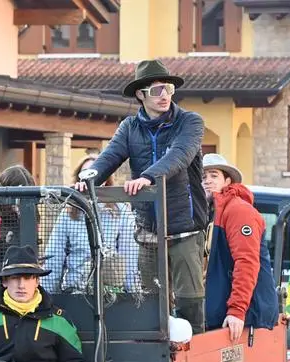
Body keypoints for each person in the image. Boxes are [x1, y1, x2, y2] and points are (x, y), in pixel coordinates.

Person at [75, 59, 209, 331]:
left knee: (189, 302)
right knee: (152, 302)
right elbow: (109, 156)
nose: (165, 96)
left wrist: (148, 177)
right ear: (141, 94)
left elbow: (179, 155)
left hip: (185, 228)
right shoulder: (129, 128)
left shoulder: (190, 122)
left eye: (169, 89)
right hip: (148, 232)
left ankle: (191, 357)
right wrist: (87, 179)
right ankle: (158, 358)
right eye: (157, 90)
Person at [202, 154, 279, 342]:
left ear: (228, 180)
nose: (207, 181)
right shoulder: (208, 214)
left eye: (214, 175)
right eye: (203, 177)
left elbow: (246, 262)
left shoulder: (238, 210)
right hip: (227, 315)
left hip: (247, 316)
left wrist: (237, 310)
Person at [44, 154, 141, 293]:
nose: (90, 181)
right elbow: (54, 257)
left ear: (106, 179)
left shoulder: (122, 213)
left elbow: (129, 259)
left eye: (95, 176)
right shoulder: (67, 214)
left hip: (110, 292)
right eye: (85, 176)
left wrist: (131, 296)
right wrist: (48, 296)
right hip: (75, 291)